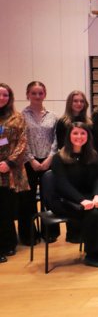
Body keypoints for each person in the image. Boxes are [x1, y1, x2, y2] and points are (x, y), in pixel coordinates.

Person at [50, 122, 98, 267]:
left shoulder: (93, 155)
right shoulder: (58, 158)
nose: (79, 136)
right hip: (65, 199)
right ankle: (92, 255)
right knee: (92, 214)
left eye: (82, 133)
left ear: (88, 136)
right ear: (69, 136)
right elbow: (62, 184)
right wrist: (81, 200)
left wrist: (97, 195)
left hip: (88, 197)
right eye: (75, 133)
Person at [20, 81, 58, 245]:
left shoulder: (53, 116)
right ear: (27, 94)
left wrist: (50, 158)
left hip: (49, 161)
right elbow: (21, 140)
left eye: (40, 93)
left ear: (45, 94)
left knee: (48, 198)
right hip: (29, 162)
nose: (37, 96)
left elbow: (56, 139)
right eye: (33, 93)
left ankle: (49, 232)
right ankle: (29, 235)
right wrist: (31, 159)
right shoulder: (21, 116)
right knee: (27, 201)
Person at [0, 83, 29, 264]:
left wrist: (9, 162)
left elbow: (22, 142)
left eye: (5, 95)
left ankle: (8, 243)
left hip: (9, 170)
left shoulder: (17, 118)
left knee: (6, 210)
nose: (2, 98)